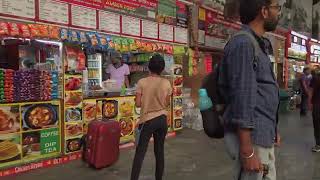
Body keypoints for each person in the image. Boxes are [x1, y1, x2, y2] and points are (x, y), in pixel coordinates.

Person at [219, 0, 281, 179]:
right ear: (264, 11)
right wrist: (247, 151)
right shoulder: (244, 44)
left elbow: (261, 92)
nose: (278, 13)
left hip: (262, 133)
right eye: (276, 8)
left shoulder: (258, 43)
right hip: (252, 142)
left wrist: (272, 128)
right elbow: (242, 97)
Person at [130, 54, 172, 180]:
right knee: (159, 152)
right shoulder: (166, 83)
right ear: (162, 68)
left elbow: (138, 104)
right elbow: (167, 103)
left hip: (147, 120)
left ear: (149, 67)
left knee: (140, 153)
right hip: (162, 120)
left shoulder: (142, 82)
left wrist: (144, 100)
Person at [310, 69, 320, 152]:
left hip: (317, 104)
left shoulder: (315, 77)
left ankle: (318, 145)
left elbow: (311, 90)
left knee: (317, 125)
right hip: (317, 103)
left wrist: (310, 102)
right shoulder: (316, 77)